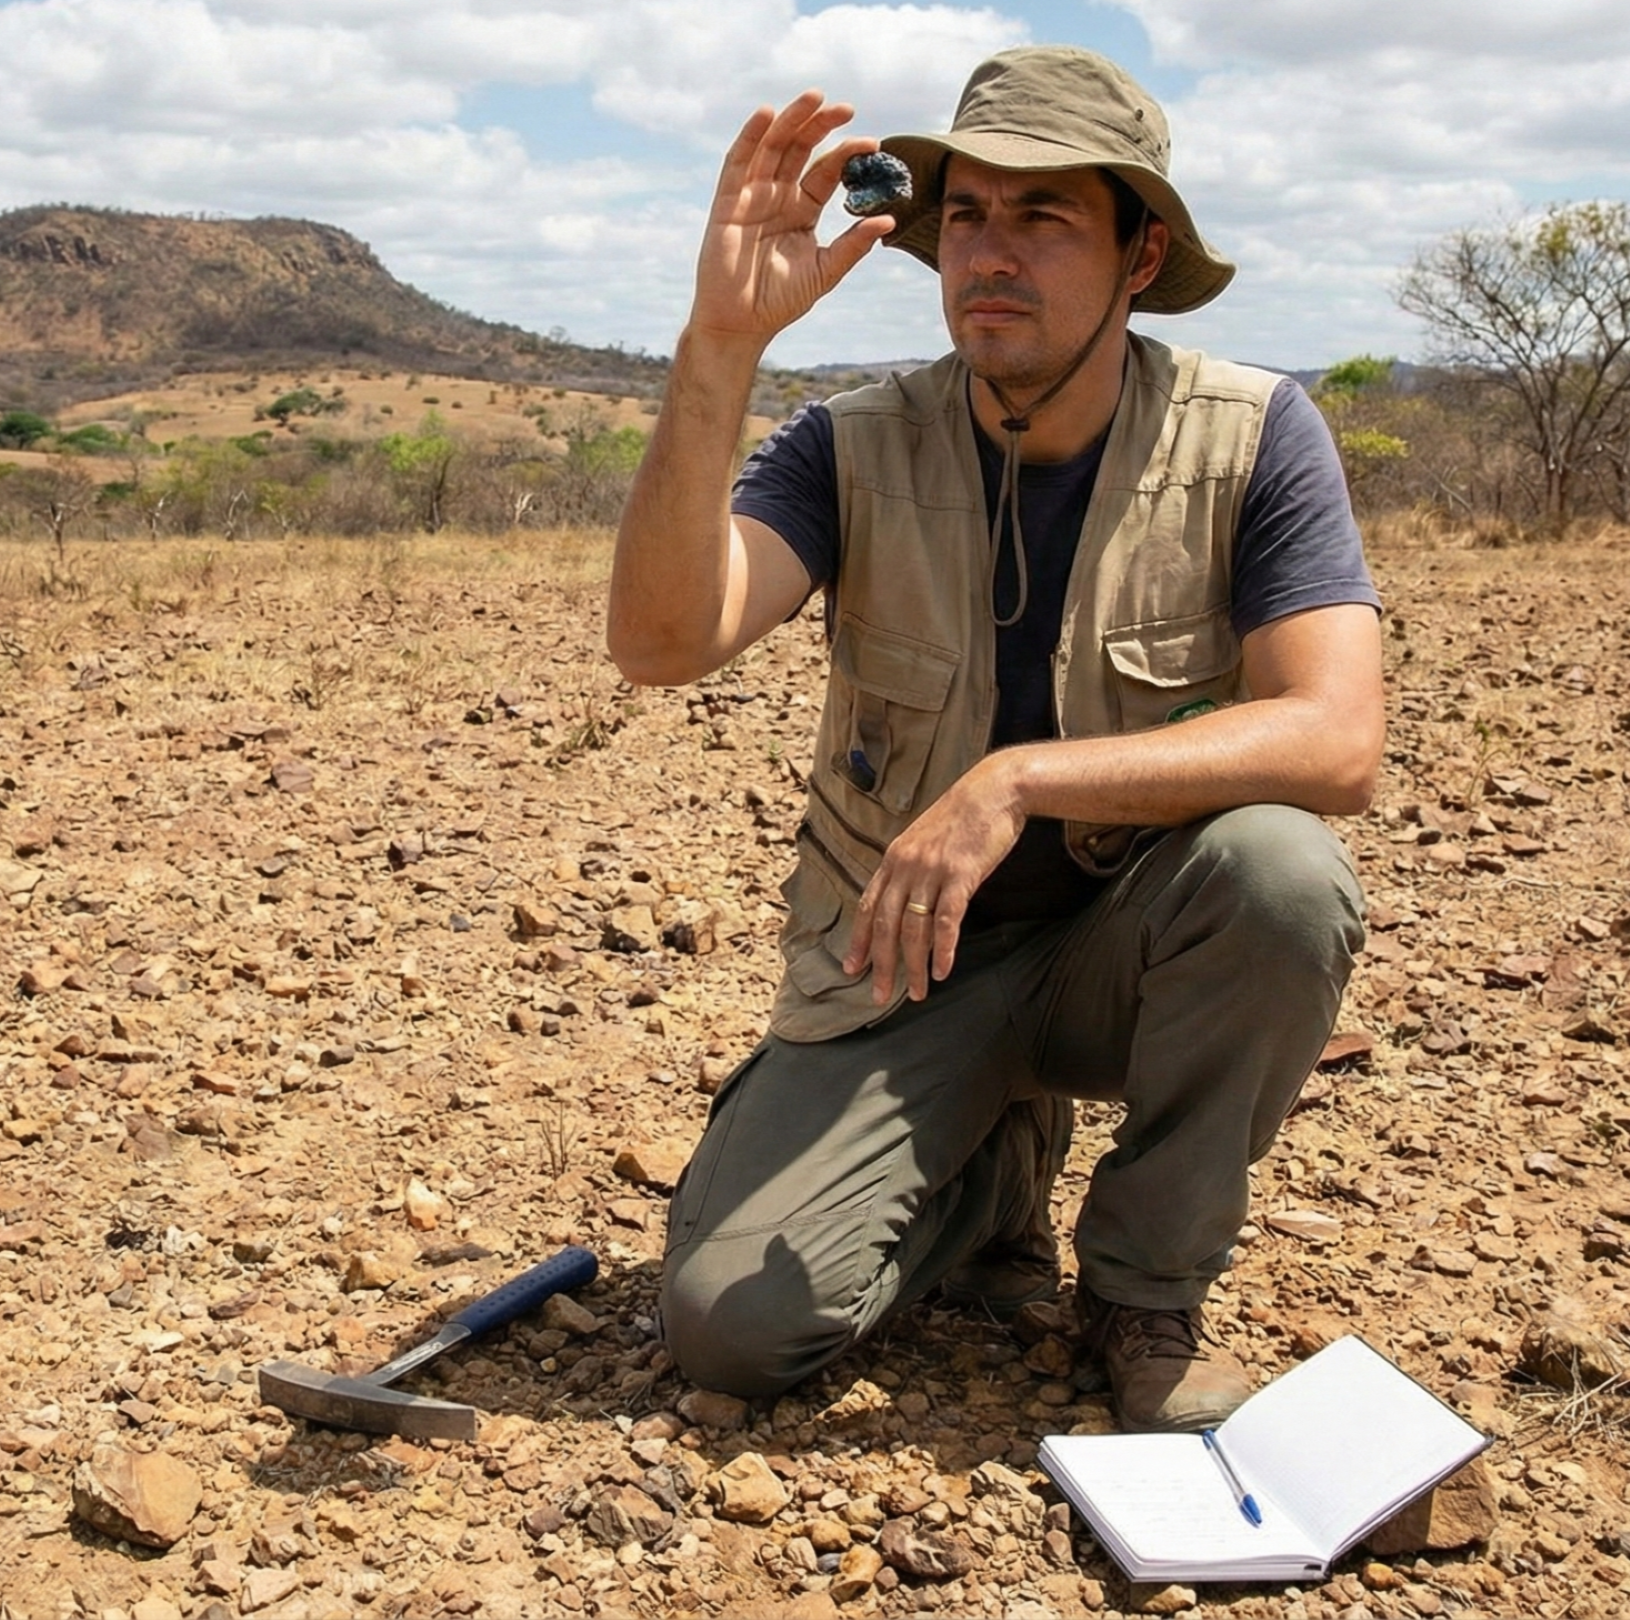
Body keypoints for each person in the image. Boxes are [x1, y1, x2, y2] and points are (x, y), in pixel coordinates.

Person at [607, 45, 1384, 1432]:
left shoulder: (1256, 434)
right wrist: (719, 347)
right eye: (965, 213)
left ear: (1142, 255)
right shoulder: (852, 444)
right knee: (731, 1328)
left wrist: (1019, 778)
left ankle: (1142, 1295)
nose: (991, 253)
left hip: (1121, 952)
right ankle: (988, 1175)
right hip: (899, 971)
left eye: (1045, 217)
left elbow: (1336, 740)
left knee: (1282, 873)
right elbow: (662, 641)